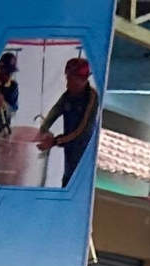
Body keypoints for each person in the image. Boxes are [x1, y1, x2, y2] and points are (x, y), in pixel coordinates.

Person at [42, 57, 99, 186]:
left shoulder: (92, 99)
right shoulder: (70, 94)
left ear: (83, 79)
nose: (67, 84)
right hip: (70, 151)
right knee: (67, 179)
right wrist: (43, 129)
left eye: (71, 79)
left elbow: (81, 131)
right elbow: (56, 110)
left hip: (83, 153)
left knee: (75, 182)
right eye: (67, 79)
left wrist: (55, 141)